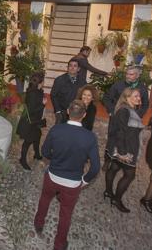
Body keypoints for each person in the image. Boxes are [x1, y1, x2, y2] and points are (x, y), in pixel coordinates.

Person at [33, 100, 100, 250]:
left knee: (44, 199)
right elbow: (95, 168)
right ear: (84, 115)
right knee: (66, 214)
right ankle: (59, 244)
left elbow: (44, 152)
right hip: (72, 183)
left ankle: (38, 223)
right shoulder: (89, 137)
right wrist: (84, 181)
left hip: (53, 176)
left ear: (68, 112)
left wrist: (56, 159)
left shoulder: (56, 130)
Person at [104, 88, 144, 213]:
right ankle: (116, 199)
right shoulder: (124, 111)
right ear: (127, 97)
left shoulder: (130, 110)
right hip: (125, 149)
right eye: (136, 96)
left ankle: (108, 192)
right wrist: (122, 153)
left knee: (114, 168)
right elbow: (120, 133)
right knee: (129, 175)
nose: (139, 98)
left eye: (139, 96)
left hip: (124, 146)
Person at [16, 73, 46, 170]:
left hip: (35, 120)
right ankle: (22, 160)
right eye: (43, 80)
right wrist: (43, 104)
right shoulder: (33, 93)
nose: (44, 82)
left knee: (37, 135)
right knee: (28, 141)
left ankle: (36, 154)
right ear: (39, 82)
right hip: (30, 121)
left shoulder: (37, 90)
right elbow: (32, 110)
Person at [51, 60, 86, 124]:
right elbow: (53, 95)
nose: (72, 68)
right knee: (60, 132)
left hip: (76, 112)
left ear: (78, 69)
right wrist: (58, 110)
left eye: (75, 66)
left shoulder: (83, 82)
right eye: (70, 65)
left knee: (73, 132)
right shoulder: (59, 80)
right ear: (67, 68)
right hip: (62, 112)